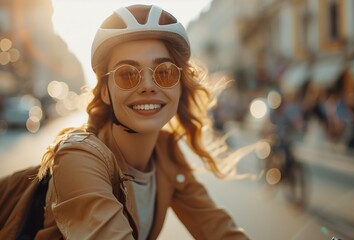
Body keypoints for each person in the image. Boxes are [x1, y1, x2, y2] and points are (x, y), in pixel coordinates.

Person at [32, 4, 249, 239]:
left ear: (180, 85)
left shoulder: (166, 154)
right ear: (105, 91)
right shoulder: (78, 158)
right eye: (127, 74)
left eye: (164, 72)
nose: (147, 86)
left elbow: (220, 231)